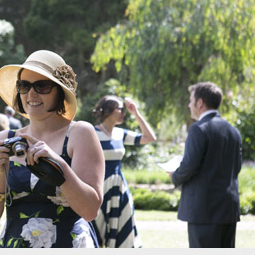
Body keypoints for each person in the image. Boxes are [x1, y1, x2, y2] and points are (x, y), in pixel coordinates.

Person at [0, 50, 104, 247]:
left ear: (59, 91)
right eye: (24, 85)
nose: (31, 93)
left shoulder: (80, 133)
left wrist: (59, 165)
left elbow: (90, 210)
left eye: (42, 86)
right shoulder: (4, 139)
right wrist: (0, 173)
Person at [169, 81, 242, 248]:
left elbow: (188, 166)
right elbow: (236, 167)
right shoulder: (233, 131)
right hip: (228, 209)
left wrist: (175, 176)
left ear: (199, 103)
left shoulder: (198, 129)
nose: (189, 105)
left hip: (203, 211)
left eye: (190, 100)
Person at [92, 95, 156, 247]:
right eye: (120, 109)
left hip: (119, 187)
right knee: (95, 231)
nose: (123, 113)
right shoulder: (92, 133)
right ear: (107, 111)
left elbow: (149, 137)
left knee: (125, 228)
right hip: (99, 187)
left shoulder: (121, 133)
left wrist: (136, 113)